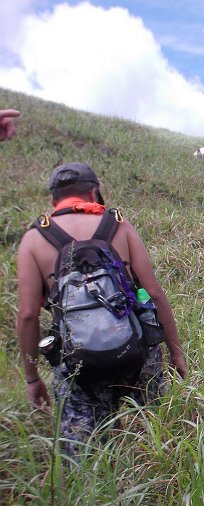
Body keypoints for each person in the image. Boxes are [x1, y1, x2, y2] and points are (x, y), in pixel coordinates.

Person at [16, 163, 187, 457]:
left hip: (77, 366)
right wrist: (176, 352)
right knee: (158, 440)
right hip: (137, 354)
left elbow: (29, 315)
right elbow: (154, 293)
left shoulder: (34, 238)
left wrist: (33, 378)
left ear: (53, 200)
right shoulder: (118, 225)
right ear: (94, 191)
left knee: (86, 458)